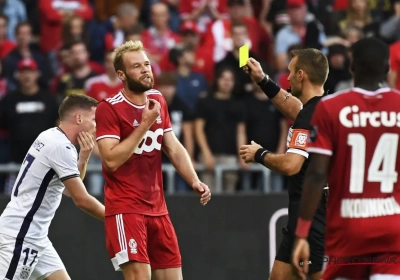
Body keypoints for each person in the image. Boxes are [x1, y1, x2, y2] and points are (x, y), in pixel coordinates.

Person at [95, 40, 211, 280]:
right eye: (137, 66)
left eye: (147, 64)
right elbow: (111, 160)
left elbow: (172, 146)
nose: (146, 69)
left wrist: (194, 180)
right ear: (121, 74)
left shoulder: (157, 99)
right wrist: (145, 122)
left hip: (158, 208)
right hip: (126, 208)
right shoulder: (109, 108)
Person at [292, 38, 400, 280]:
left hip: (349, 231)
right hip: (393, 229)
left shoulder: (331, 107)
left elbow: (317, 174)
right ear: (387, 69)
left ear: (352, 66)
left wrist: (301, 233)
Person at [239, 49, 329, 280]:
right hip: (303, 213)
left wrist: (260, 154)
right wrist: (262, 79)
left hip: (314, 213)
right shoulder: (322, 107)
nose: (286, 78)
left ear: (301, 75)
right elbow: (294, 108)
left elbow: (291, 165)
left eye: (290, 72)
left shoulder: (309, 116)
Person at [0, 94, 105, 280]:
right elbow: (81, 199)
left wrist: (84, 157)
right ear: (79, 118)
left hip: (36, 235)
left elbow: (68, 190)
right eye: (94, 119)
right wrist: (118, 218)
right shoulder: (60, 147)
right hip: (22, 236)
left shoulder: (50, 136)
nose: (96, 126)